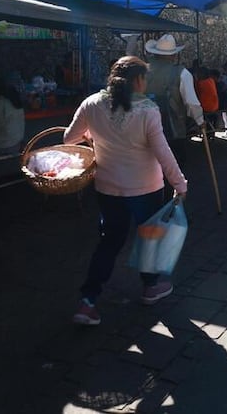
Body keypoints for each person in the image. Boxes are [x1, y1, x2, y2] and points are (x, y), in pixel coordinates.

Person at [64, 56, 188, 325]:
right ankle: (150, 287)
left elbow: (69, 138)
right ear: (139, 80)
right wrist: (179, 184)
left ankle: (87, 302)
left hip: (108, 188)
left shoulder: (91, 103)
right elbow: (163, 152)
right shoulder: (148, 110)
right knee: (149, 236)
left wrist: (92, 136)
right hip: (146, 188)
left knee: (109, 242)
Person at [143, 35, 205, 164]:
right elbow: (191, 102)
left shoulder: (142, 71)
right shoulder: (181, 73)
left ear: (155, 53)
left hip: (146, 127)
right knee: (174, 165)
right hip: (173, 128)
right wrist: (200, 120)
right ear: (174, 55)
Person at [193, 67, 221, 131]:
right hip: (215, 106)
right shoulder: (211, 80)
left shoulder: (201, 83)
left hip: (206, 108)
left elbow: (196, 93)